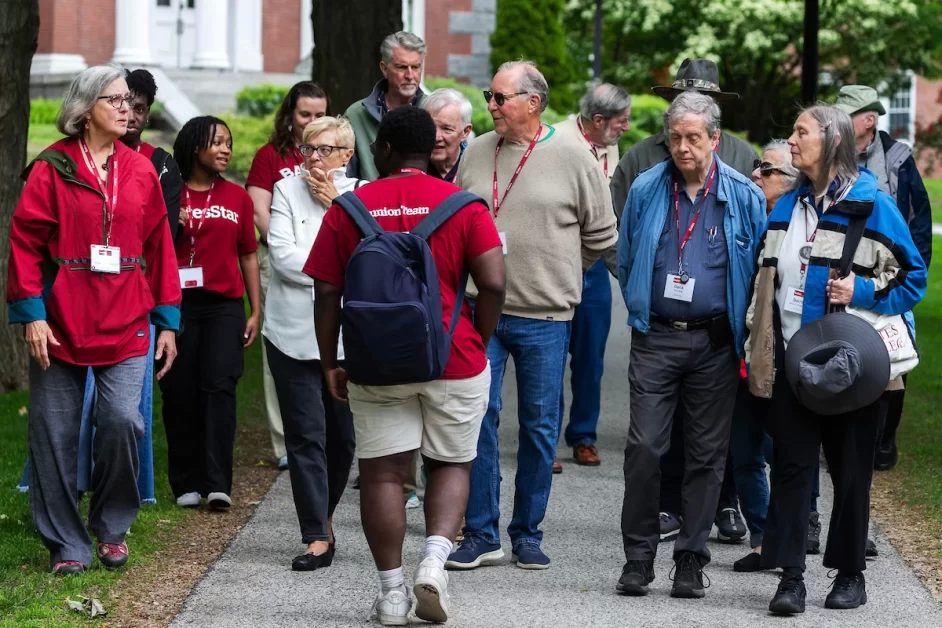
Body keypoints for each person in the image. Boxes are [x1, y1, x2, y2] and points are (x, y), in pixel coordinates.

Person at [306, 106, 505, 625]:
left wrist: (331, 361)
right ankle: (435, 562)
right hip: (454, 358)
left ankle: (392, 594)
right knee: (452, 463)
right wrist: (476, 341)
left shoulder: (350, 209)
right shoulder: (464, 206)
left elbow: (326, 292)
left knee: (383, 476)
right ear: (433, 151)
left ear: (384, 150)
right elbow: (495, 283)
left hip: (375, 363)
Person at [747, 104, 926, 614]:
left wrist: (864, 289)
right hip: (793, 364)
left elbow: (913, 278)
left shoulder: (874, 205)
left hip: (851, 367)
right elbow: (769, 281)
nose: (792, 139)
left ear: (833, 141)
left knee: (850, 472)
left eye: (801, 132)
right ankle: (790, 577)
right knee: (791, 469)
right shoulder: (787, 205)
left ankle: (849, 574)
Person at [6, 64, 180, 574]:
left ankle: (111, 528)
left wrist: (167, 320)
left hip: (127, 316)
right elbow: (25, 245)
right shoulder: (51, 168)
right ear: (85, 111)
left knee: (124, 420)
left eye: (128, 100)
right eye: (115, 100)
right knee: (53, 433)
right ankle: (67, 544)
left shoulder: (142, 168)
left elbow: (159, 247)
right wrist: (32, 315)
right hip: (60, 320)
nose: (127, 109)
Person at [447, 60, 617, 571]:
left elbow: (602, 234)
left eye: (500, 98)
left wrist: (562, 271)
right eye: (489, 96)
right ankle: (480, 533)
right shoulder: (475, 152)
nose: (491, 106)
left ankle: (527, 532)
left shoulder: (573, 155)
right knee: (478, 420)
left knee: (540, 427)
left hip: (545, 315)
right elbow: (457, 220)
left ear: (533, 103)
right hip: (482, 312)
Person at [615, 91, 765, 599]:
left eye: (693, 138)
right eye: (675, 137)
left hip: (715, 342)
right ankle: (638, 557)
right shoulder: (646, 188)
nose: (683, 148)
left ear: (715, 139)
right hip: (656, 335)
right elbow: (628, 252)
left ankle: (690, 560)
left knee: (706, 454)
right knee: (644, 448)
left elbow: (757, 269)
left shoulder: (743, 194)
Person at [262, 116, 359, 571]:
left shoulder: (358, 196)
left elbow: (369, 255)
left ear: (346, 155)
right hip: (290, 334)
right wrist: (336, 269)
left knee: (342, 440)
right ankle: (316, 535)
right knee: (306, 436)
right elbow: (282, 258)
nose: (314, 159)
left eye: (324, 150)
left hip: (344, 339)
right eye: (308, 149)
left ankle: (326, 514)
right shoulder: (285, 190)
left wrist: (339, 208)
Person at [159, 116, 261, 511]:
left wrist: (256, 309)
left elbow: (248, 255)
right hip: (177, 304)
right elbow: (154, 249)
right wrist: (174, 226)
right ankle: (186, 481)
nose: (225, 149)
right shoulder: (169, 193)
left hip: (223, 306)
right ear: (194, 145)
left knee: (219, 388)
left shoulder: (238, 197)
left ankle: (218, 483)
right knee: (179, 390)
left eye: (229, 143)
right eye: (217, 142)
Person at [834, 84, 933, 471]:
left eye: (848, 116)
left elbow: (918, 224)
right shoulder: (834, 154)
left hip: (889, 275)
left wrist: (908, 280)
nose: (839, 123)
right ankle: (844, 436)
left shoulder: (897, 158)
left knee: (895, 356)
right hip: (842, 278)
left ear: (869, 120)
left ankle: (884, 441)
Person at [246, 81, 328, 470]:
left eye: (319, 114)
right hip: (278, 258)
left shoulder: (334, 155)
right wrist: (283, 244)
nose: (311, 122)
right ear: (289, 115)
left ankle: (325, 430)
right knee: (279, 345)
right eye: (304, 114)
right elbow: (259, 209)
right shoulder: (270, 155)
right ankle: (284, 443)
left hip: (327, 264)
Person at [552, 82, 630, 469]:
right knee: (548, 353)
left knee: (590, 357)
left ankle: (583, 435)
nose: (626, 129)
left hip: (595, 264)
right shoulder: (557, 142)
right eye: (621, 122)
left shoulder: (608, 143)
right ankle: (544, 440)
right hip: (559, 261)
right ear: (597, 120)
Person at [730, 141, 800, 573]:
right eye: (757, 166)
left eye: (768, 170)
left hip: (786, 356)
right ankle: (762, 539)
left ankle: (791, 534)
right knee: (745, 449)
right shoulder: (748, 213)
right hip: (742, 352)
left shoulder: (795, 222)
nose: (756, 174)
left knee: (787, 453)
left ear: (790, 182)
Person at [345, 31, 427, 181]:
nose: (410, 76)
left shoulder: (433, 110)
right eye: (402, 67)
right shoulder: (356, 115)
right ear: (384, 68)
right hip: (370, 201)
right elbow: (345, 176)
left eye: (415, 67)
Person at [423, 88, 473, 182]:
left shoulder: (476, 169)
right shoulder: (412, 167)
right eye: (430, 127)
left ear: (465, 132)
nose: (436, 137)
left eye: (446, 129)